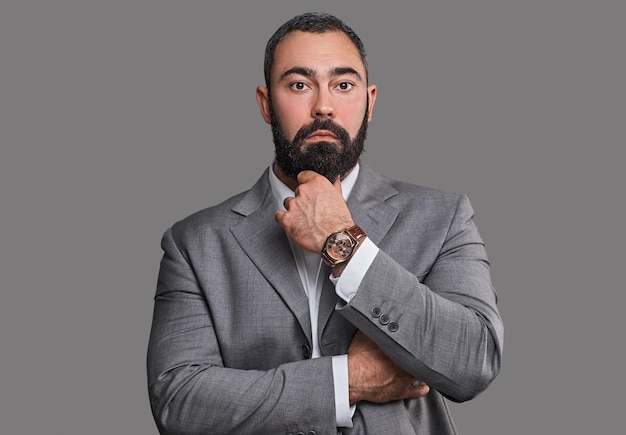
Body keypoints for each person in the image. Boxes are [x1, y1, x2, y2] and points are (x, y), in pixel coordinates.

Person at [147, 12, 503, 435]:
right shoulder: (194, 243)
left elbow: (474, 361)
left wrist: (343, 242)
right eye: (299, 85)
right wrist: (346, 382)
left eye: (343, 84)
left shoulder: (443, 218)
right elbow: (179, 402)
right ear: (265, 104)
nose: (323, 106)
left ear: (370, 102)